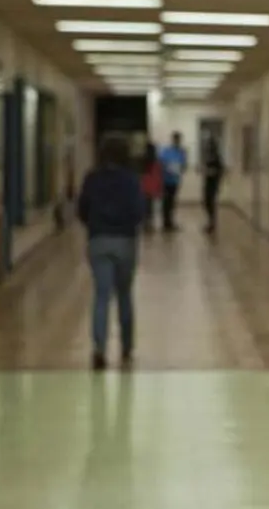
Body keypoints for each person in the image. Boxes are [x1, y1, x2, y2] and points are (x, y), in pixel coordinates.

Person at [78, 134, 143, 370]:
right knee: (124, 294)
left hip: (98, 240)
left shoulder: (91, 178)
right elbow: (139, 211)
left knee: (101, 296)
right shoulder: (131, 179)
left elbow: (82, 209)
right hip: (125, 241)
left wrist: (95, 225)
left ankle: (99, 349)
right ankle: (126, 348)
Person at [159, 131, 187, 231]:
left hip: (175, 181)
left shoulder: (182, 152)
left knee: (172, 202)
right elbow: (160, 163)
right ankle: (165, 223)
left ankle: (170, 222)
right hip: (166, 180)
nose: (177, 141)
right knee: (165, 202)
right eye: (175, 139)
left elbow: (184, 166)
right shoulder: (166, 150)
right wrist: (167, 167)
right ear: (173, 139)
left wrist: (180, 168)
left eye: (178, 139)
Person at [201, 130, 224, 234]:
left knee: (210, 203)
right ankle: (210, 223)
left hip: (213, 184)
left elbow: (219, 171)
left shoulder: (216, 157)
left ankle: (212, 224)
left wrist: (210, 172)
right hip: (208, 182)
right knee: (207, 203)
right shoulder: (209, 157)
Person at [140, 139, 162, 232]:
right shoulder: (156, 162)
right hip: (152, 186)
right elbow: (158, 175)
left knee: (145, 205)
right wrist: (159, 188)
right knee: (151, 206)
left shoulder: (142, 161)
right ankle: (149, 223)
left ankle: (145, 223)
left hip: (143, 186)